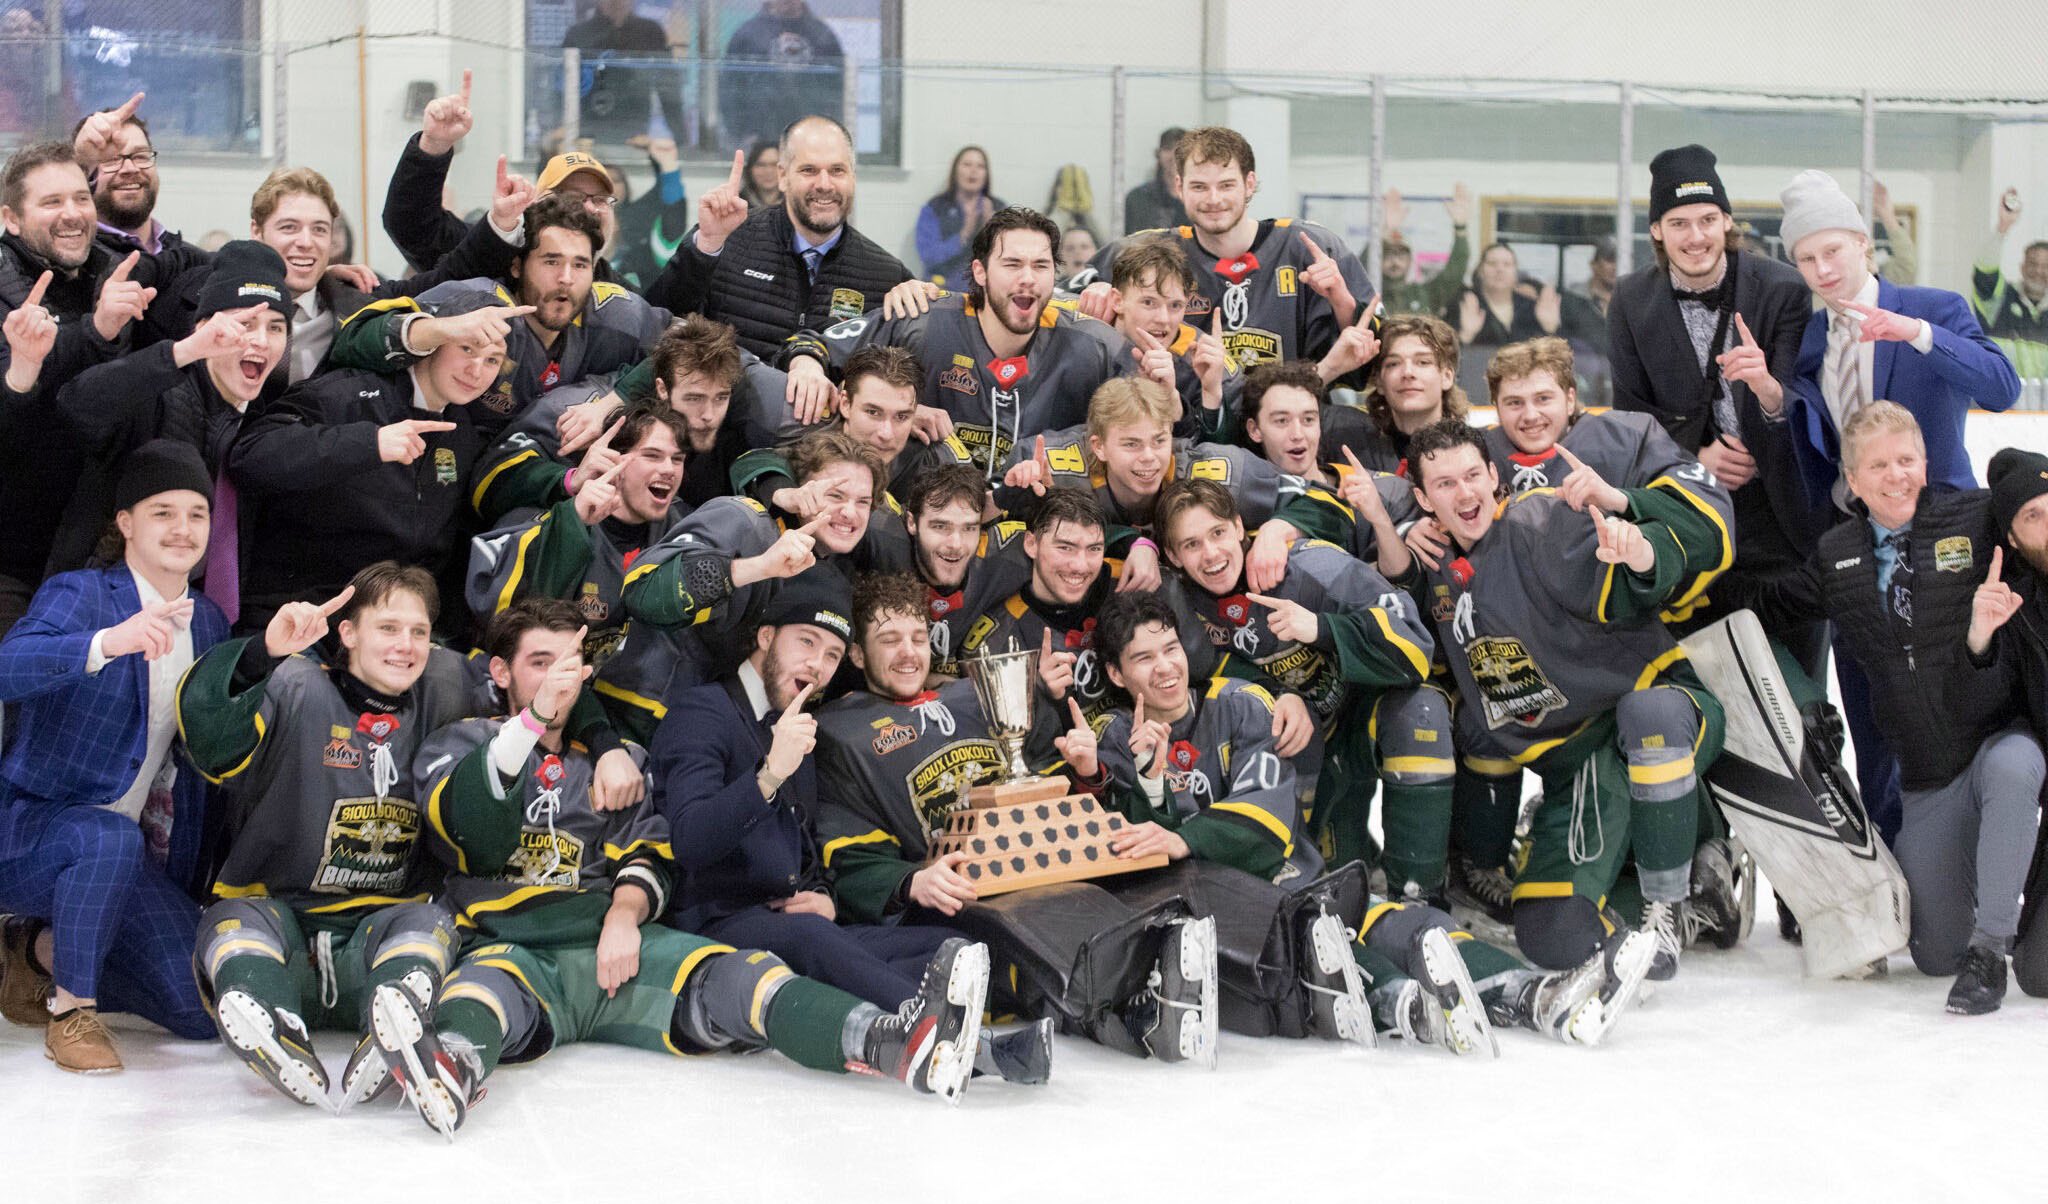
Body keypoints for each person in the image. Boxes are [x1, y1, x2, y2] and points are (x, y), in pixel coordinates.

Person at [391, 596, 995, 1135]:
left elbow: (652, 848)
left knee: (802, 966)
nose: (557, 682)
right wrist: (531, 722)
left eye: (568, 666)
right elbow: (470, 834)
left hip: (619, 940)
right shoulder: (466, 742)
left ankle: (907, 1041)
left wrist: (818, 890)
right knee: (484, 994)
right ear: (500, 672)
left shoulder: (621, 759)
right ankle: (452, 1062)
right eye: (540, 664)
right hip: (537, 937)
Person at [1094, 588, 1658, 1051]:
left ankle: (1542, 996)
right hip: (1238, 923)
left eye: (1169, 648)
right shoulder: (1113, 741)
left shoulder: (1241, 703)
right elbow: (1140, 854)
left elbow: (1266, 826)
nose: (1165, 667)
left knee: (1406, 925)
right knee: (1326, 938)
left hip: (1292, 883)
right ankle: (1406, 1007)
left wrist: (1183, 837)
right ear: (1118, 676)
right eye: (1144, 659)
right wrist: (1145, 778)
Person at [654, 571, 1051, 1083]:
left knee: (948, 948)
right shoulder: (703, 711)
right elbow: (690, 841)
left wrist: (825, 896)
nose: (816, 665)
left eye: (831, 655)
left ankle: (938, 1020)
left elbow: (805, 842)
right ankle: (962, 1047)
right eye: (806, 642)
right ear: (766, 637)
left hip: (794, 916)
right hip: (714, 922)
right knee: (813, 940)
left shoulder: (797, 721)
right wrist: (769, 774)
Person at [815, 571, 1219, 1064]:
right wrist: (910, 881)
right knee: (1015, 931)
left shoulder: (973, 696)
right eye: (889, 640)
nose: (908, 652)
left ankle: (1164, 973)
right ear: (857, 655)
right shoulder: (840, 733)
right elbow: (848, 850)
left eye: (918, 637)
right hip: (960, 894)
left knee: (1106, 887)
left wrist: (1087, 775)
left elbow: (1040, 784)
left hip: (1034, 865)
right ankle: (1136, 1007)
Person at [1382, 420, 1735, 980]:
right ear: (1424, 499)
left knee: (1649, 716)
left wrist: (1641, 553)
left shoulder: (1538, 520)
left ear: (1495, 475)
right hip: (1574, 770)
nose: (1465, 492)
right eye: (1445, 484)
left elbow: (1638, 579)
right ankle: (1690, 871)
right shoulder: (1440, 565)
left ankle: (1675, 899)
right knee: (1556, 938)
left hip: (1642, 721)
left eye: (1474, 474)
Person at [1726, 404, 2037, 1013]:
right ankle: (1976, 915)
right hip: (1927, 777)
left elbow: (2029, 495)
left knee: (2015, 767)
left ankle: (1993, 943)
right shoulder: (1837, 556)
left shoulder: (1972, 518)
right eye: (1879, 465)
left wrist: (2014, 471)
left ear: (1925, 464)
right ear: (1853, 479)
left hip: (1998, 740)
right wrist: (1673, 575)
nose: (1897, 476)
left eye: (1907, 460)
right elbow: (1768, 603)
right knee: (1932, 952)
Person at [1767, 169, 2020, 844]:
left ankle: (1966, 873)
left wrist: (1913, 333)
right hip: (1858, 552)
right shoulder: (1813, 343)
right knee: (1874, 718)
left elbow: (2001, 386)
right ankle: (1892, 873)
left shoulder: (1932, 309)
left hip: (1948, 547)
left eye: (1833, 252)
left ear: (1862, 243)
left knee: (1960, 712)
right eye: (1806, 258)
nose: (1822, 269)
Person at [178, 562, 474, 1112]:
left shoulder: (448, 689)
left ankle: (391, 1025)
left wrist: (600, 741)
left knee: (432, 923)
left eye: (419, 632)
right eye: (388, 627)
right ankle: (270, 1015)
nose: (405, 645)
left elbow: (532, 675)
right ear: (348, 632)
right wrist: (259, 656)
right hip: (282, 924)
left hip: (376, 939)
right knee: (230, 924)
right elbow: (209, 740)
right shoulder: (294, 686)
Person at [0, 442, 228, 1073]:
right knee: (104, 836)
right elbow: (6, 668)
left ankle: (35, 952)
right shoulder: (79, 594)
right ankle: (71, 1011)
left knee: (200, 1008)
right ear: (125, 522)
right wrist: (106, 642)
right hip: (29, 834)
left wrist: (267, 656)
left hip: (123, 856)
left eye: (196, 513)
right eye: (162, 512)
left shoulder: (207, 622)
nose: (183, 528)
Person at [1156, 476, 1449, 890]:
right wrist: (1280, 694)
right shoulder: (1181, 609)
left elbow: (1415, 647)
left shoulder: (1311, 564)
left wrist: (1320, 627)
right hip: (1304, 749)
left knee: (1423, 711)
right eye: (1191, 544)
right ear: (1173, 554)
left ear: (1239, 528)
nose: (1211, 555)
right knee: (1337, 883)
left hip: (1360, 719)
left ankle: (1421, 894)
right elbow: (1207, 683)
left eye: (1218, 533)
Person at [1607, 144, 1821, 670]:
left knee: (1802, 699)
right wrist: (1695, 457)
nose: (1696, 236)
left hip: (1782, 521)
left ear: (1727, 221)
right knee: (1710, 689)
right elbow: (1630, 416)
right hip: (1690, 516)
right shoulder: (1632, 299)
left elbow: (1800, 405)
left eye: (1707, 219)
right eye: (1678, 222)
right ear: (1656, 230)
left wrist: (1767, 392)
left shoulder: (1782, 289)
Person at [226, 291, 511, 635]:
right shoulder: (350, 393)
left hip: (387, 632)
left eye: (492, 360)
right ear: (434, 340)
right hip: (295, 618)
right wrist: (369, 443)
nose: (476, 371)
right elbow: (251, 455)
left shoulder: (463, 433)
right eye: (467, 348)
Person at [46, 242, 293, 617]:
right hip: (99, 611)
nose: (261, 340)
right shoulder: (157, 390)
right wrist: (183, 351)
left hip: (195, 621)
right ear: (204, 329)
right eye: (245, 324)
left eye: (276, 327)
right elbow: (77, 403)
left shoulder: (265, 419)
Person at [789, 207, 1126, 475]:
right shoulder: (922, 319)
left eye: (1041, 266)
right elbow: (815, 344)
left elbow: (1156, 399)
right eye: (1012, 264)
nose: (1027, 279)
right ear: (980, 272)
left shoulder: (1088, 342)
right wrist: (807, 363)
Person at [332, 196, 663, 440]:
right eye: (550, 261)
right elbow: (352, 339)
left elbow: (690, 342)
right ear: (517, 266)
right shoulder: (476, 301)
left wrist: (612, 400)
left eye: (580, 265)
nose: (566, 277)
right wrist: (438, 328)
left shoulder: (615, 312)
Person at [0, 141, 160, 630]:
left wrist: (320, 280)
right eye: (51, 203)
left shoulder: (117, 269)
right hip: (12, 557)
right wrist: (96, 331)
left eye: (80, 198)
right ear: (10, 219)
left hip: (99, 547)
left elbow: (203, 271)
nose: (72, 214)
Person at [1080, 127, 1374, 371]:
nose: (1213, 198)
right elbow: (1054, 297)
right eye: (1199, 187)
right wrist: (1097, 289)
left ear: (1249, 183)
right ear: (1179, 187)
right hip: (1188, 426)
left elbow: (1375, 352)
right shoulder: (1149, 248)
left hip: (1292, 425)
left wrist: (1341, 301)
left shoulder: (1311, 247)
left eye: (1226, 185)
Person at [643, 116, 915, 364]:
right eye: (809, 170)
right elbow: (658, 324)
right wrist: (705, 248)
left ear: (853, 177)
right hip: (730, 415)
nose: (824, 184)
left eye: (837, 171)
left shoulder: (886, 275)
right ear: (783, 177)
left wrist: (923, 299)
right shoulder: (727, 239)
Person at [1978, 448, 2048, 998]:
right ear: (2014, 539)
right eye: (2034, 516)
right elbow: (1991, 704)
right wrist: (1983, 636)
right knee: (2040, 972)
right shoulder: (2014, 606)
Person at [720, 0, 846, 150]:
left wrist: (827, 132)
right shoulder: (747, 34)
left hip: (809, 135)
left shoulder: (822, 35)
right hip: (759, 135)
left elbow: (836, 90)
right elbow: (731, 88)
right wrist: (742, 133)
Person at [562, 0, 686, 148]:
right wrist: (559, 129)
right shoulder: (579, 34)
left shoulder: (650, 32)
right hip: (588, 130)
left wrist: (679, 137)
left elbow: (666, 84)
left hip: (634, 129)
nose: (617, 2)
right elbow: (561, 85)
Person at [1969, 187, 2048, 378]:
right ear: (2021, 267)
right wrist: (2002, 228)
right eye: (2032, 264)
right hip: (2000, 404)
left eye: (2045, 266)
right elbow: (1984, 273)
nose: (2038, 271)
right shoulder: (1999, 300)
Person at [1377, 184, 1470, 318]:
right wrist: (1385, 231)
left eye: (1401, 256)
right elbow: (1358, 270)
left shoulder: (1424, 294)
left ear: (1410, 261)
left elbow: (1454, 272)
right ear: (1378, 260)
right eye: (1388, 255)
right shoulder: (1369, 293)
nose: (1395, 261)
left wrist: (1460, 228)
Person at [914, 146, 1001, 288]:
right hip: (942, 289)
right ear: (955, 170)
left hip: (985, 291)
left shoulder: (997, 208)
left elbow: (1009, 258)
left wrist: (991, 229)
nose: (973, 171)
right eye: (967, 165)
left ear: (986, 174)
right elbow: (929, 256)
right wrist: (964, 234)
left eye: (980, 166)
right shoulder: (936, 207)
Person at [1123, 127, 1186, 235]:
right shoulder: (1138, 198)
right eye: (1168, 148)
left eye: (1180, 150)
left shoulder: (1202, 197)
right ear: (1158, 154)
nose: (1173, 155)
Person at [1045, 164, 1098, 246]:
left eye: (1077, 186)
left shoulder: (1093, 221)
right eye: (1069, 187)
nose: (1073, 192)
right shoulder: (1053, 221)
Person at [739, 138, 782, 210]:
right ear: (750, 169)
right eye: (761, 165)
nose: (768, 171)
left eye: (774, 164)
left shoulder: (795, 205)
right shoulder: (736, 204)